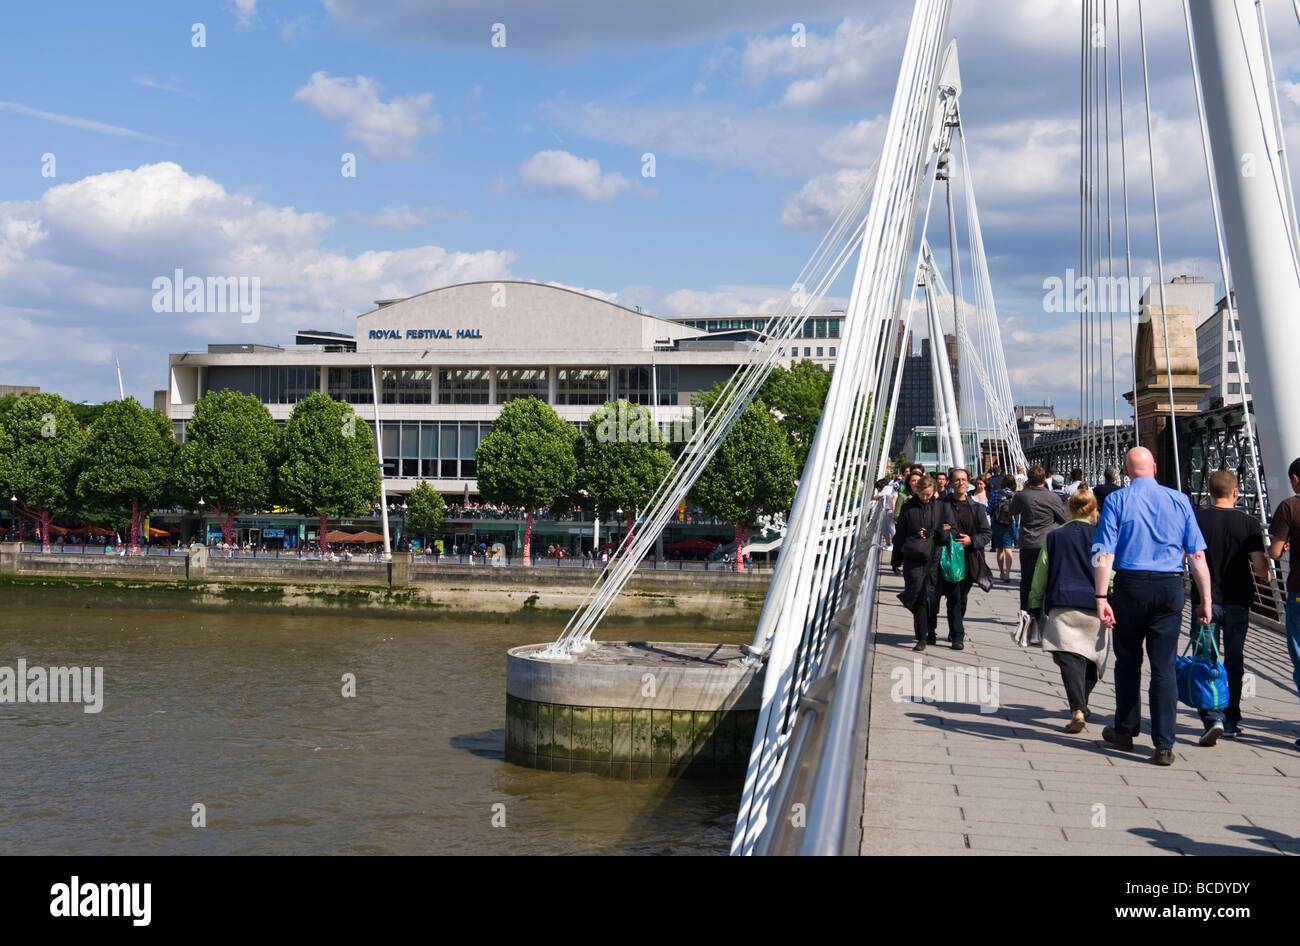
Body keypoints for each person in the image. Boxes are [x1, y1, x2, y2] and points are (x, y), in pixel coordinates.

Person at [1094, 446, 1211, 766]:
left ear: (1127, 471)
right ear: (1155, 468)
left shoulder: (1117, 500)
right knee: (1163, 668)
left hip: (1130, 586)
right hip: (1170, 586)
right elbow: (1196, 556)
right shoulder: (1180, 500)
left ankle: (1125, 730)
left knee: (1128, 661)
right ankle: (1163, 744)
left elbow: (1104, 554)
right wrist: (1206, 600)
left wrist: (1101, 597)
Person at [1192, 470, 1269, 742]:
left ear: (1211, 493)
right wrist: (1266, 575)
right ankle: (1233, 716)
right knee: (1234, 659)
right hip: (1238, 600)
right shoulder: (1248, 523)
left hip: (1206, 601)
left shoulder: (1198, 518)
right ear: (1235, 492)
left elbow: (1186, 557)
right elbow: (1259, 565)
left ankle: (1211, 716)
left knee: (1205, 659)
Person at [1030, 489, 1109, 733]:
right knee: (1092, 660)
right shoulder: (1100, 537)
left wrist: (1034, 602)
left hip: (1062, 604)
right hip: (1094, 605)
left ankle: (1078, 708)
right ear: (1094, 510)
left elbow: (1041, 571)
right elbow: (1107, 570)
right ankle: (1081, 703)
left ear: (1069, 510)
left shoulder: (1055, 537)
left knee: (1069, 660)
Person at [891, 474, 955, 651]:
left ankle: (930, 631)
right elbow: (900, 534)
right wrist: (895, 560)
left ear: (934, 492)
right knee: (917, 595)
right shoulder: (908, 507)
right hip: (913, 557)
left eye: (928, 494)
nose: (925, 497)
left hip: (934, 557)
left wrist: (936, 533)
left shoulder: (941, 507)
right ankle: (921, 636)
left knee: (932, 597)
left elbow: (952, 529)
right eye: (922, 494)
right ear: (917, 491)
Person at [1011, 465, 1067, 642]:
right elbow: (1063, 518)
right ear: (1044, 479)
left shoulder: (1022, 496)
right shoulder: (1053, 497)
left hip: (1028, 542)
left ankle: (1026, 613)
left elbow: (1012, 511)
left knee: (1027, 580)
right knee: (1047, 580)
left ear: (1028, 479)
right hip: (1047, 543)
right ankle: (1044, 613)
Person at [1267, 456, 1300, 749]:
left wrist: (1277, 543)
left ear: (1296, 480)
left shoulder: (1290, 506)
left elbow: (1275, 553)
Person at [938, 469, 991, 650]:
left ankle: (955, 629)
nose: (961, 483)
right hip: (949, 558)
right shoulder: (941, 505)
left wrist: (971, 541)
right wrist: (941, 531)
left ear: (968, 482)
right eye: (957, 480)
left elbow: (986, 534)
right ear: (950, 484)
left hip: (969, 558)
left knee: (962, 597)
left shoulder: (977, 508)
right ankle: (958, 636)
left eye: (963, 480)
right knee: (954, 596)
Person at [990, 475, 1019, 581]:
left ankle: (1001, 572)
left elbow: (990, 509)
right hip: (1010, 523)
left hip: (997, 523)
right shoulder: (1015, 495)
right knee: (1008, 548)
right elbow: (1017, 512)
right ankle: (1008, 573)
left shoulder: (996, 493)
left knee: (999, 549)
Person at [874, 477, 898, 551]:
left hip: (890, 511)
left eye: (878, 488)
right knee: (885, 529)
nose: (878, 490)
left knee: (891, 529)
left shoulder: (887, 489)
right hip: (887, 511)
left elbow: (875, 497)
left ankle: (895, 545)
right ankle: (888, 544)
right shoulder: (890, 488)